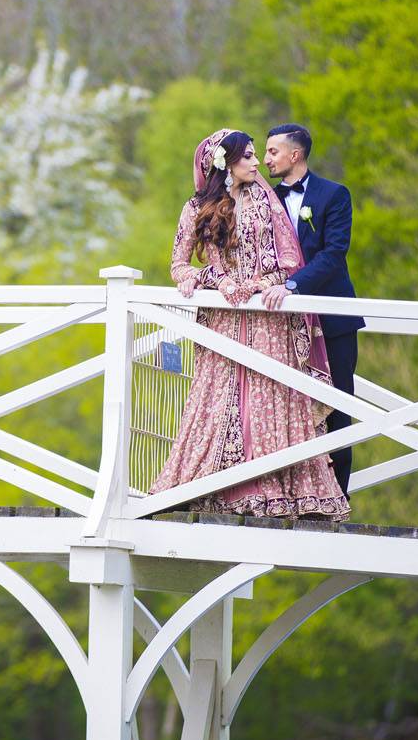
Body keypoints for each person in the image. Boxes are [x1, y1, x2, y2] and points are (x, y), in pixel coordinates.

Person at [148, 128, 349, 520]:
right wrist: (208, 278)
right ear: (225, 164)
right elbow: (178, 263)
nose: (258, 164)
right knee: (219, 398)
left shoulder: (266, 202)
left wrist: (262, 284)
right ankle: (207, 485)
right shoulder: (195, 208)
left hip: (264, 319)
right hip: (223, 319)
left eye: (261, 155)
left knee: (267, 395)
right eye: (249, 157)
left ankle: (274, 490)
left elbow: (288, 262)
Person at [260, 123, 363, 495]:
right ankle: (292, 494)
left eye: (272, 151)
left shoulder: (334, 195)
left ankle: (338, 495)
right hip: (283, 326)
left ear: (295, 154)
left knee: (336, 403)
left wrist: (292, 285)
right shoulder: (264, 201)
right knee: (284, 406)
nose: (266, 158)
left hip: (332, 319)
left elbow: (334, 255)